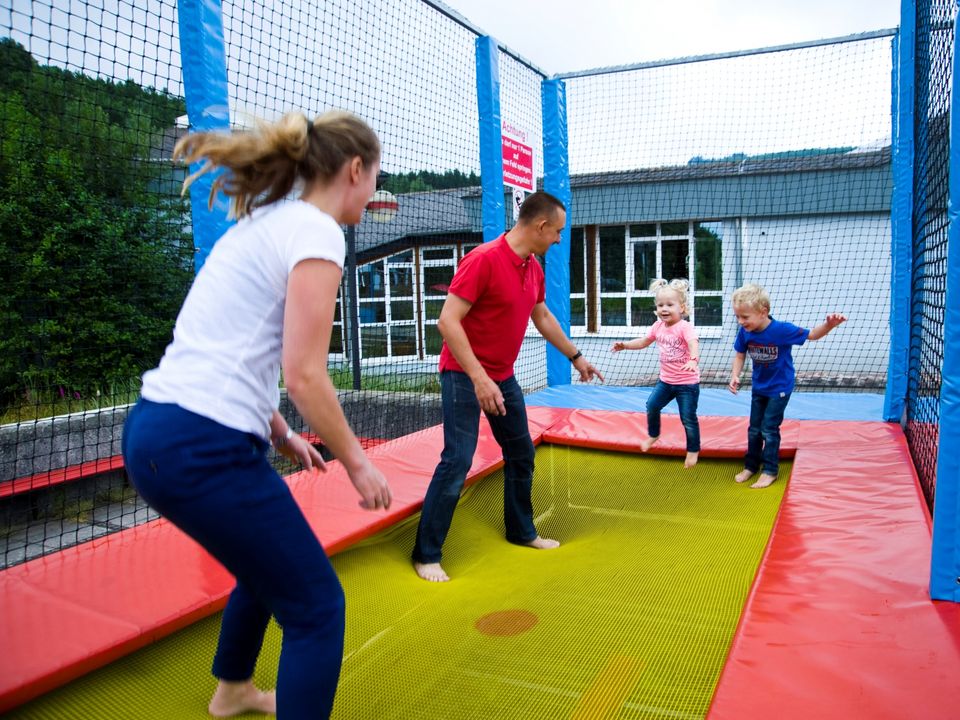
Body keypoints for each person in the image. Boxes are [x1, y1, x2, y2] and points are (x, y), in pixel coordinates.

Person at [121, 110, 393, 720]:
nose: (375, 192)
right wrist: (358, 464)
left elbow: (237, 344)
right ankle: (239, 688)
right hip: (200, 443)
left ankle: (234, 689)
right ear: (356, 169)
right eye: (374, 177)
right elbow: (304, 372)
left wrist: (282, 432)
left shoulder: (265, 221)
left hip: (157, 429)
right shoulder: (318, 234)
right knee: (318, 608)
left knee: (266, 564)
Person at [412, 191, 604, 583]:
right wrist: (480, 379)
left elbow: (542, 315)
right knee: (458, 460)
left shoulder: (532, 267)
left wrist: (576, 357)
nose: (558, 239)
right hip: (463, 375)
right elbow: (448, 322)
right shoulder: (482, 260)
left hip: (502, 374)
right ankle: (426, 554)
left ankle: (521, 531)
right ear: (540, 225)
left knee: (520, 451)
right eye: (558, 232)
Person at [727, 283, 847, 489]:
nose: (740, 321)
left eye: (745, 317)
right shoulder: (745, 332)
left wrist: (829, 325)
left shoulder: (781, 330)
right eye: (738, 316)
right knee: (754, 429)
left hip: (780, 388)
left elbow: (812, 335)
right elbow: (740, 354)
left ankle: (770, 470)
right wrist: (735, 375)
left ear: (763, 312)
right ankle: (751, 466)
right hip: (759, 387)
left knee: (769, 428)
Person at [611, 278, 701, 468]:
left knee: (688, 417)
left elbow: (693, 343)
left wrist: (693, 360)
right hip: (666, 381)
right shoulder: (657, 327)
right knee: (652, 405)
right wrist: (625, 345)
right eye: (660, 305)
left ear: (682, 308)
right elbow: (643, 342)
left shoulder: (685, 327)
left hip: (687, 383)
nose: (664, 309)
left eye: (670, 304)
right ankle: (654, 434)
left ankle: (693, 449)